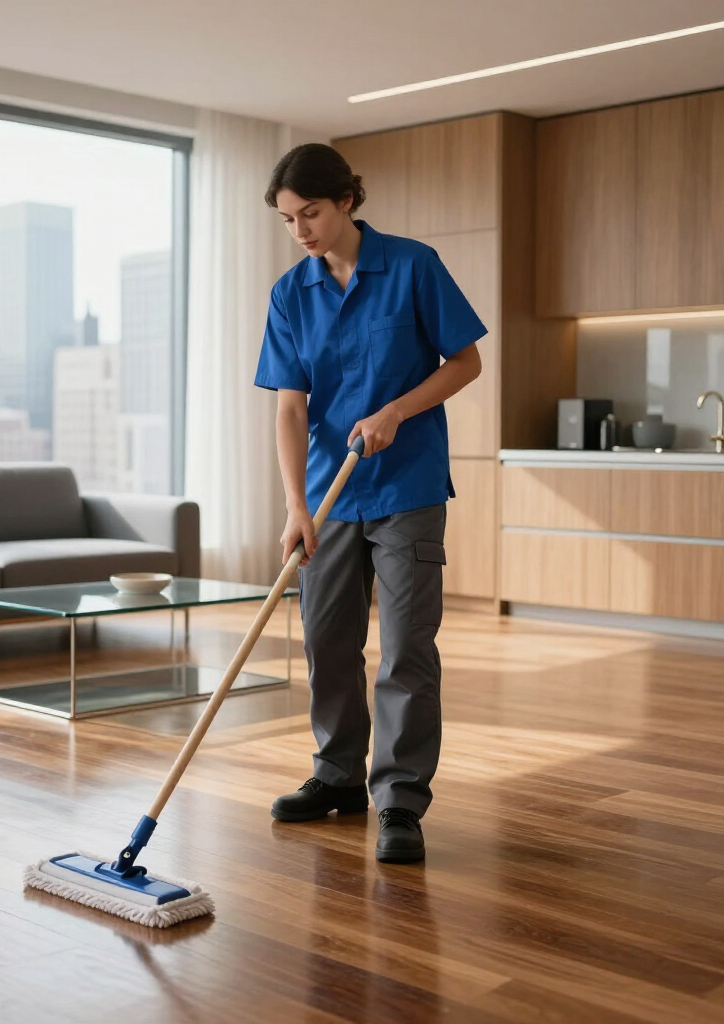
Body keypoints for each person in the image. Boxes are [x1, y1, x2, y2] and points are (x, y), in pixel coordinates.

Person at [254, 143, 485, 863]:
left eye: (311, 212)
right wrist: (296, 505)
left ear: (348, 199)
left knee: (407, 648)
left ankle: (400, 802)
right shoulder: (291, 293)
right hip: (328, 498)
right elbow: (291, 410)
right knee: (327, 642)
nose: (301, 230)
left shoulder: (413, 266)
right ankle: (337, 776)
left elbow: (466, 361)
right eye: (289, 219)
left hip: (408, 488)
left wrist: (397, 411)